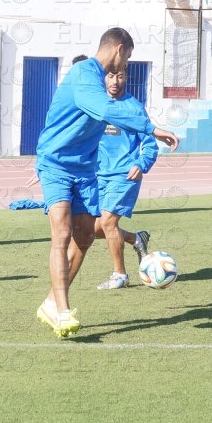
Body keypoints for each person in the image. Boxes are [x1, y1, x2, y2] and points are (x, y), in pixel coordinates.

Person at [35, 27, 179, 338]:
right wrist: (152, 129)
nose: (125, 64)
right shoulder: (84, 74)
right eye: (127, 57)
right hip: (57, 165)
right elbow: (104, 109)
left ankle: (50, 301)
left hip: (85, 170)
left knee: (84, 238)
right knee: (61, 233)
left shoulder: (99, 82)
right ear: (118, 50)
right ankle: (62, 312)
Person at [86, 67, 156, 290]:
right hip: (98, 176)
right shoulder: (95, 106)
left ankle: (120, 276)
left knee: (108, 222)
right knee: (91, 229)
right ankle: (136, 238)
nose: (115, 81)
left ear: (126, 77)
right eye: (110, 75)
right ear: (103, 77)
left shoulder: (133, 107)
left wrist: (141, 164)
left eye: (120, 76)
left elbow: (151, 142)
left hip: (125, 174)